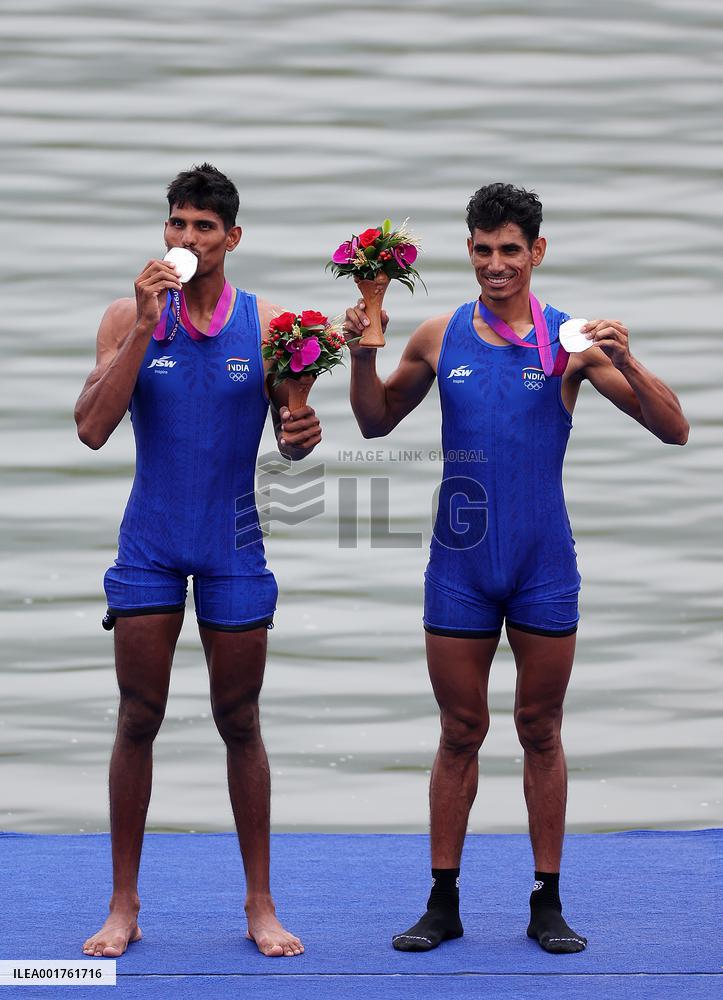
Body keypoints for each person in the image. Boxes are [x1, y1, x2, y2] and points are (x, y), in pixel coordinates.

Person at [343, 182, 689, 954]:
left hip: (541, 563)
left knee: (539, 728)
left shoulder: (569, 343)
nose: (495, 264)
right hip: (459, 567)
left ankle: (546, 901)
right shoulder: (438, 336)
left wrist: (626, 359)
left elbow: (673, 430)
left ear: (536, 252)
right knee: (458, 730)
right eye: (481, 249)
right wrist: (363, 351)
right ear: (467, 251)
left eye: (509, 250)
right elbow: (373, 422)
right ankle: (442, 901)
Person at [75, 164, 321, 959]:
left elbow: (291, 434)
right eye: (177, 225)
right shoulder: (126, 315)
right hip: (150, 540)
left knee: (239, 720)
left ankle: (260, 903)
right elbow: (90, 429)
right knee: (137, 716)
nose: (186, 240)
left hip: (233, 543)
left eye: (203, 228)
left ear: (232, 239)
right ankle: (123, 905)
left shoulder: (271, 325)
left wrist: (300, 430)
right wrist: (147, 327)